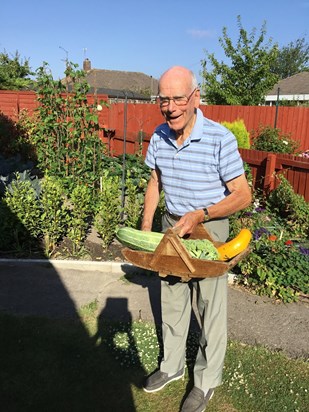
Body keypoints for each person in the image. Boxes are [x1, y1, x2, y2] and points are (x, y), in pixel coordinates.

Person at [141, 66, 252, 412]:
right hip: (172, 226)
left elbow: (242, 194)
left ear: (195, 98)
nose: (170, 107)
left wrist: (201, 214)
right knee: (172, 299)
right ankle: (172, 367)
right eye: (164, 100)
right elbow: (155, 182)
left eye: (178, 99)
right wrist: (146, 228)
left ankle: (204, 382)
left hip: (208, 227)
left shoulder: (220, 138)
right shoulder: (159, 135)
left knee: (209, 309)